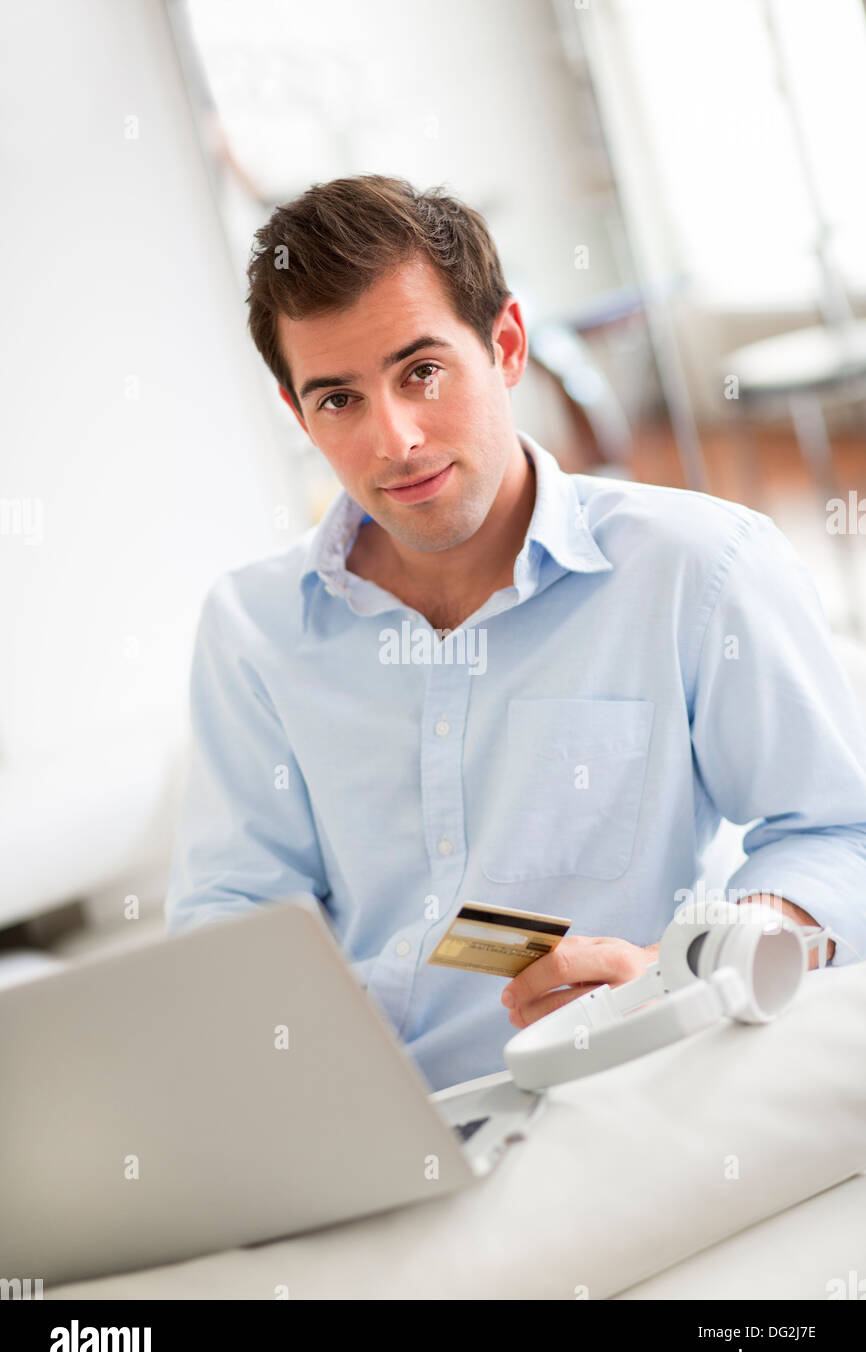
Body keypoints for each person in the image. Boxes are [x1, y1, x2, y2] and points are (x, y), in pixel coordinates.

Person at [164, 174, 866, 1093]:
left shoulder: (701, 566)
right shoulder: (251, 627)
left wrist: (686, 970)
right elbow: (235, 907)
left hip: (615, 1074)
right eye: (339, 400)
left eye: (422, 372)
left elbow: (842, 833)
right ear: (299, 415)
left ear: (506, 345)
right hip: (364, 1113)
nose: (397, 440)